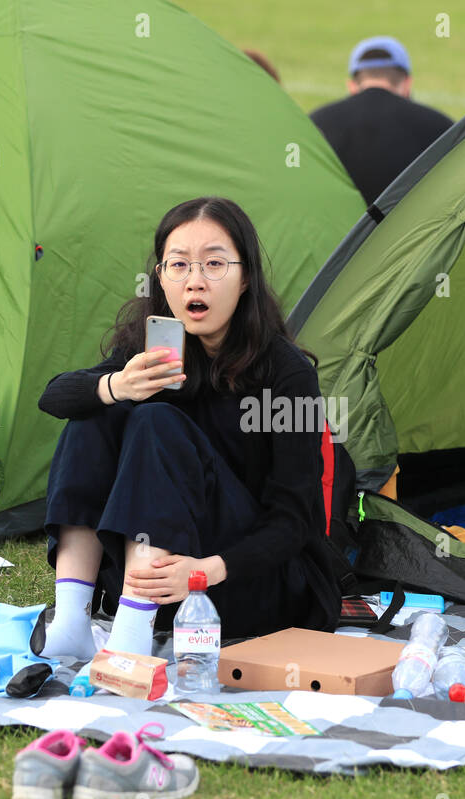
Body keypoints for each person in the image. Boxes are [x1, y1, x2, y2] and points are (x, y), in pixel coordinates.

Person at [36, 197, 341, 660]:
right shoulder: (153, 351)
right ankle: (72, 619)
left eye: (215, 264)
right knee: (98, 407)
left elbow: (297, 519)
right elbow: (54, 397)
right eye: (178, 265)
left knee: (156, 420)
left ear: (245, 279)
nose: (195, 280)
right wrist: (118, 383)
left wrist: (205, 571)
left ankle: (132, 636)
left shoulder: (287, 374)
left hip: (249, 582)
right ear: (160, 278)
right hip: (166, 581)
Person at [310, 36, 453, 205]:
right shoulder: (441, 127)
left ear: (352, 86)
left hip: (339, 229)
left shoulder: (316, 124)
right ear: (407, 84)